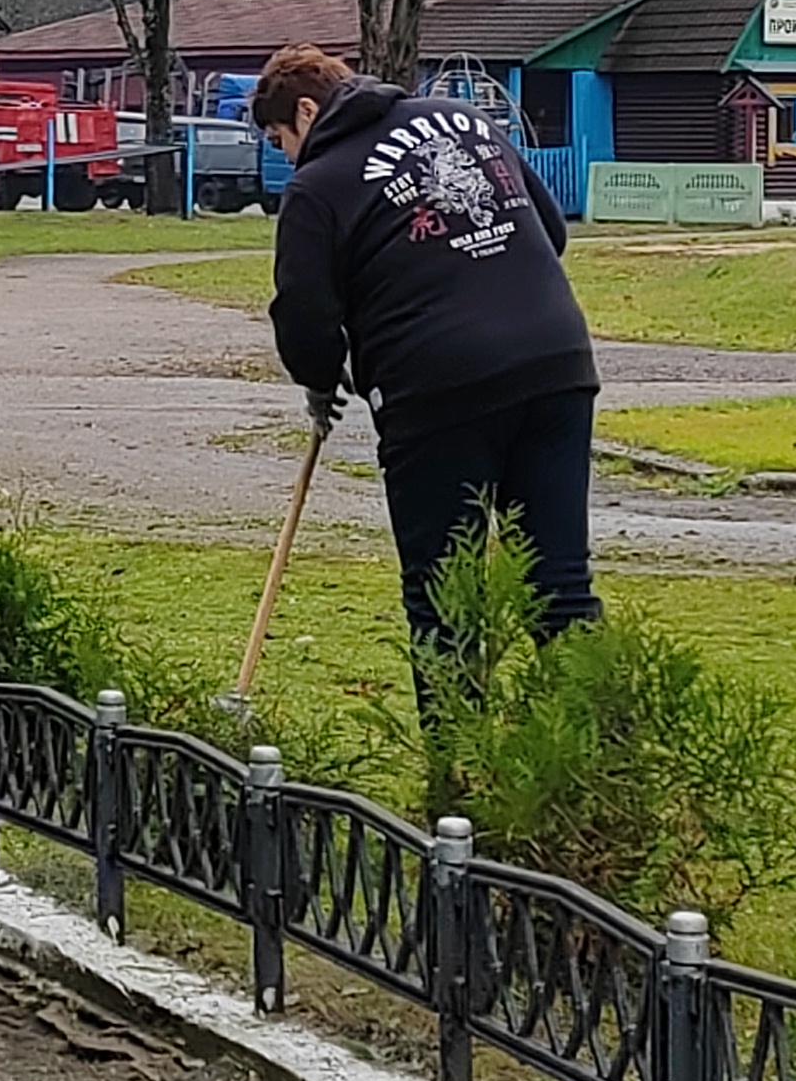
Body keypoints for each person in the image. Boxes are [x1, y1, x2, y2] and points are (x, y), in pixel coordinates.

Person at [256, 41, 602, 660]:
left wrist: (318, 380)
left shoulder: (317, 184)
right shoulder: (464, 119)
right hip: (556, 362)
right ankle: (594, 751)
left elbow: (305, 314)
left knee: (446, 597)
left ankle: (456, 757)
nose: (285, 154)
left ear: (306, 112)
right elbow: (548, 230)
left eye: (279, 137)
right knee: (559, 585)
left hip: (436, 390)